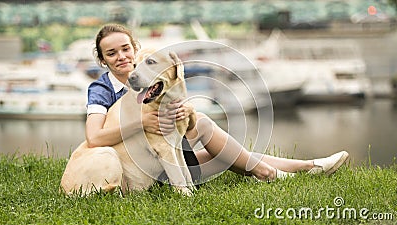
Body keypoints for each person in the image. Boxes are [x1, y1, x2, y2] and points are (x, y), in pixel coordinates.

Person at [86, 23, 349, 184]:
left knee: (224, 148)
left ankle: (307, 167)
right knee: (210, 131)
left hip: (174, 153)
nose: (121, 57)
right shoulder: (101, 89)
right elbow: (94, 137)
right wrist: (140, 122)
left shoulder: (155, 75)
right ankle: (282, 172)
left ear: (135, 48)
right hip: (145, 168)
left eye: (126, 49)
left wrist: (185, 112)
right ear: (103, 60)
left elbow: (181, 130)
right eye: (112, 53)